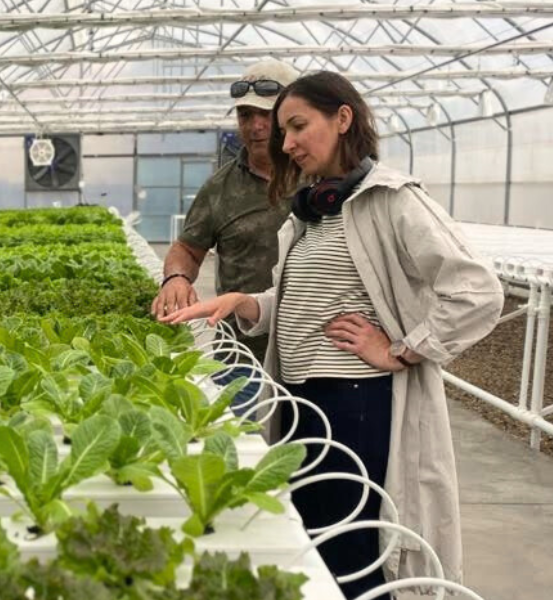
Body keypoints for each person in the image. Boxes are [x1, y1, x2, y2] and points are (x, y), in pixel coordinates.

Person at [160, 71, 503, 598]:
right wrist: (244, 303)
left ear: (343, 119)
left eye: (298, 127)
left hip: (352, 404)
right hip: (302, 400)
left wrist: (401, 350)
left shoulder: (391, 200)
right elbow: (306, 302)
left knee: (351, 555)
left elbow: (477, 291)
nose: (288, 143)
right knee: (313, 547)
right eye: (283, 133)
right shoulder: (315, 212)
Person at [151, 59, 299, 404]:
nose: (256, 126)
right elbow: (188, 249)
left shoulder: (323, 178)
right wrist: (175, 277)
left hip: (310, 355)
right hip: (241, 354)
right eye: (246, 115)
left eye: (266, 114)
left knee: (306, 450)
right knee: (236, 448)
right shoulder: (220, 187)